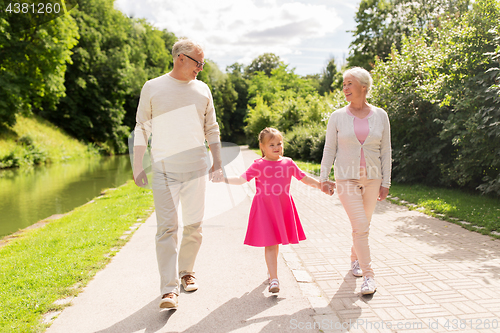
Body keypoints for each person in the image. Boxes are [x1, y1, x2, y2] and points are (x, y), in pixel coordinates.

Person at [133, 39, 223, 309]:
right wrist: (137, 165)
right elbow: (141, 127)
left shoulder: (203, 89)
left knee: (194, 226)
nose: (201, 68)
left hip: (196, 168)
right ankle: (168, 289)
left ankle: (187, 272)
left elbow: (212, 127)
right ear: (180, 58)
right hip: (163, 170)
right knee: (167, 229)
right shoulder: (153, 87)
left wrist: (217, 161)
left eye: (203, 63)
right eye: (199, 63)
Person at [213, 127, 334, 293]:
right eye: (271, 145)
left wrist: (321, 185)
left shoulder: (288, 162)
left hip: (283, 206)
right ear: (262, 146)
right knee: (270, 243)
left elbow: (303, 177)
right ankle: (274, 279)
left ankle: (271, 273)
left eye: (279, 143)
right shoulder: (258, 165)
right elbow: (241, 179)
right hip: (265, 208)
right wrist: (224, 179)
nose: (277, 147)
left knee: (276, 242)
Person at [319, 67, 391, 295]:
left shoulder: (381, 115)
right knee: (360, 226)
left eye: (350, 83)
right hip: (346, 179)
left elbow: (386, 150)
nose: (345, 88)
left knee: (363, 227)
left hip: (372, 179)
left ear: (363, 87)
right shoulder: (337, 116)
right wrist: (324, 177)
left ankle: (355, 260)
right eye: (344, 84)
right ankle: (369, 276)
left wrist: (386, 181)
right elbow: (330, 148)